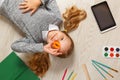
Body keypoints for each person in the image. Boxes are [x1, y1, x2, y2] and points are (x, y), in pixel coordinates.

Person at [0, 0, 86, 77]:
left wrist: (42, 48)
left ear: (52, 50)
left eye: (57, 45)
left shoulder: (35, 40)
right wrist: (38, 2)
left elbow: (15, 46)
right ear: (64, 33)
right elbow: (51, 1)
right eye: (62, 38)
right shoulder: (57, 19)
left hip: (3, 5)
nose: (56, 39)